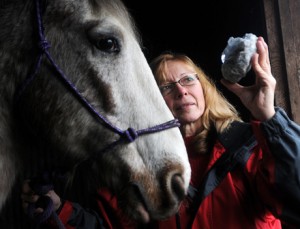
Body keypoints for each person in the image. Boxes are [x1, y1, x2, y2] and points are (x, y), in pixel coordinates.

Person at [21, 36, 300, 228]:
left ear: (203, 87)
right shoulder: (139, 168)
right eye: (166, 87)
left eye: (188, 79)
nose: (180, 90)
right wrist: (59, 210)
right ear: (152, 101)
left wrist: (269, 117)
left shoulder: (250, 145)